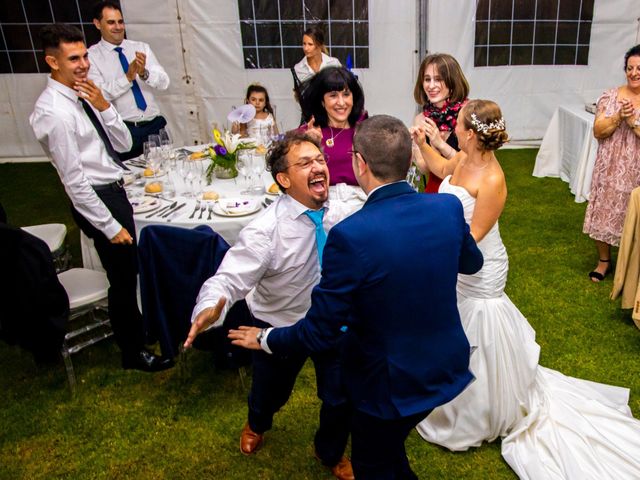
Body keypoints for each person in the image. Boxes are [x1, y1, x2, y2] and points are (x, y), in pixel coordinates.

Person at [229, 115, 484, 479]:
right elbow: (472, 263)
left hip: (389, 386)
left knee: (376, 465)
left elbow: (318, 332)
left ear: (359, 163)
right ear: (411, 159)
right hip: (446, 366)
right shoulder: (446, 207)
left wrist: (264, 337)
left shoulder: (351, 235)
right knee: (390, 450)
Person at [411, 99, 640, 479]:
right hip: (457, 258)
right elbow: (439, 167)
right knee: (459, 325)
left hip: (479, 264)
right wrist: (422, 143)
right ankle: (453, 391)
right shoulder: (465, 159)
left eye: (459, 127)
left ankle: (484, 408)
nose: (454, 131)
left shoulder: (493, 179)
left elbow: (474, 236)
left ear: (469, 133)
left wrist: (427, 250)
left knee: (481, 328)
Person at [184, 132, 355, 480]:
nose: (318, 167)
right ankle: (257, 423)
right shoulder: (266, 230)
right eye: (304, 163)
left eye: (319, 159)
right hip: (280, 325)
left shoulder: (343, 205)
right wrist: (210, 305)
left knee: (340, 396)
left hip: (332, 322)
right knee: (270, 393)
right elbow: (228, 278)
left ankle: (330, 451)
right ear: (284, 179)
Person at [29, 24, 172, 373]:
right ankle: (133, 351)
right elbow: (74, 181)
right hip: (99, 197)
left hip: (113, 188)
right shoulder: (55, 112)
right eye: (73, 58)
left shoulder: (81, 96)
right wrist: (109, 226)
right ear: (52, 62)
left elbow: (124, 144)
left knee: (129, 271)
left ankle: (139, 330)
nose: (83, 65)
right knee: (122, 278)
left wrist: (105, 105)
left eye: (84, 57)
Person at [583, 44, 640, 282]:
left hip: (636, 167)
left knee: (635, 214)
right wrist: (619, 116)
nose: (634, 73)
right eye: (630, 68)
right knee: (605, 210)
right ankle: (604, 261)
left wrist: (633, 122)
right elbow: (598, 130)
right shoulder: (610, 96)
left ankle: (632, 263)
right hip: (611, 165)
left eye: (639, 68)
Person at [88, 1, 170, 160]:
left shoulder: (140, 47)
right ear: (97, 24)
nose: (118, 27)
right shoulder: (91, 57)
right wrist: (128, 77)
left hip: (155, 125)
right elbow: (100, 95)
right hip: (125, 130)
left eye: (120, 21)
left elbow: (164, 82)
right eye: (111, 22)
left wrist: (144, 73)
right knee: (132, 180)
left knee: (167, 170)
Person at [299, 66, 366, 187]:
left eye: (346, 94)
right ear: (322, 101)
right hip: (320, 200)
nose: (341, 102)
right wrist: (307, 145)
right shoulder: (307, 133)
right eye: (333, 95)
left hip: (361, 201)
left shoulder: (366, 130)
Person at [412, 53, 469, 193]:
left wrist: (440, 144)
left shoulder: (468, 114)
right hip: (435, 189)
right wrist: (420, 145)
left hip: (465, 189)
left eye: (438, 79)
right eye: (427, 79)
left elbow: (470, 165)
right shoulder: (421, 119)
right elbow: (424, 168)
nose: (431, 86)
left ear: (452, 81)